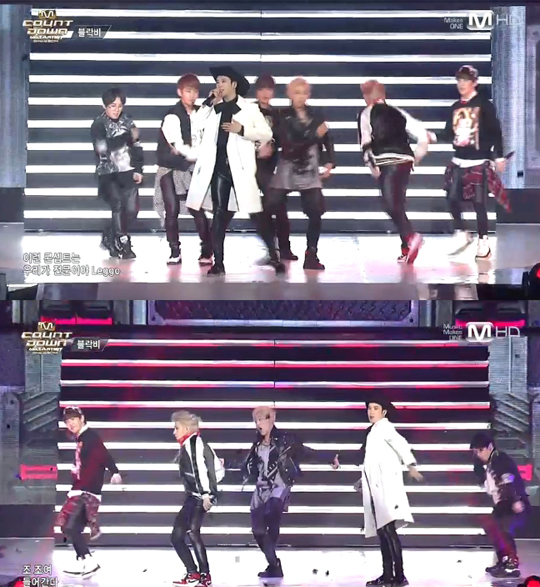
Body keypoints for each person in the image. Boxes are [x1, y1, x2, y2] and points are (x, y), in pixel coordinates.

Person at [186, 66, 285, 276]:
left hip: (240, 168)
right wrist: (208, 102)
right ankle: (218, 262)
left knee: (256, 213)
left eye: (223, 81)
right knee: (219, 214)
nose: (219, 85)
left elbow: (266, 133)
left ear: (234, 84)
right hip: (218, 167)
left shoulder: (248, 109)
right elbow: (194, 123)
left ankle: (274, 256)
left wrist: (242, 130)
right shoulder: (213, 108)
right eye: (217, 81)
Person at [226, 406, 339, 580]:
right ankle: (274, 565)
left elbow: (305, 452)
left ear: (271, 420)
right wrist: (224, 462)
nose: (258, 424)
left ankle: (273, 564)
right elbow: (244, 461)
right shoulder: (257, 444)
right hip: (261, 488)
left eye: (261, 419)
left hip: (279, 485)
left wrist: (329, 458)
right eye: (256, 420)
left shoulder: (286, 440)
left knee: (272, 515)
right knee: (257, 531)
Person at [335, 397, 424, 587]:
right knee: (383, 531)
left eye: (375, 408)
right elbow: (364, 457)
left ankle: (399, 576)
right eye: (369, 408)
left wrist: (411, 465)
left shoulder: (385, 428)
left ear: (383, 412)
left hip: (386, 490)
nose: (371, 411)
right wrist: (341, 460)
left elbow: (401, 444)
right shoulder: (372, 432)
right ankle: (388, 575)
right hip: (377, 490)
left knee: (388, 530)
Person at [438, 65, 510, 260]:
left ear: (474, 83)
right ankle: (462, 232)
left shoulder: (485, 105)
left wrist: (499, 156)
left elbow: (496, 132)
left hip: (479, 160)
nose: (461, 84)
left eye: (465, 80)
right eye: (459, 80)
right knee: (451, 198)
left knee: (479, 203)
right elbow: (448, 133)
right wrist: (432, 136)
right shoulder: (455, 107)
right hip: (459, 160)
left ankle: (483, 241)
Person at [266, 77, 335, 271]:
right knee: (271, 205)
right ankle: (279, 249)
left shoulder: (316, 114)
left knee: (315, 211)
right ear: (289, 94)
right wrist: (314, 135)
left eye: (304, 92)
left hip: (310, 167)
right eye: (297, 92)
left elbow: (327, 138)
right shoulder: (282, 115)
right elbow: (289, 143)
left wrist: (329, 161)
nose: (301, 96)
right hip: (288, 165)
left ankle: (311, 254)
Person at [358, 80, 430, 264]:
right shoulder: (398, 112)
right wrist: (415, 157)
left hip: (386, 161)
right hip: (405, 161)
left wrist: (372, 168)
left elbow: (365, 143)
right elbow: (423, 135)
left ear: (367, 95)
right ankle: (406, 247)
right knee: (398, 203)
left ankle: (411, 236)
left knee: (390, 204)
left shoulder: (366, 113)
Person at [155, 74, 213, 266]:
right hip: (169, 167)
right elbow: (179, 146)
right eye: (188, 91)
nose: (192, 95)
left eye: (195, 91)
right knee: (171, 210)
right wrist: (194, 154)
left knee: (197, 208)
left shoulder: (200, 113)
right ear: (180, 92)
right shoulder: (172, 116)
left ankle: (207, 249)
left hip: (191, 167)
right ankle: (174, 250)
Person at [58, 406, 122, 578]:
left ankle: (89, 562)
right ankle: (83, 561)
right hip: (81, 488)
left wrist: (114, 471)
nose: (70, 423)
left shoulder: (90, 437)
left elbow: (104, 455)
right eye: (67, 421)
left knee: (70, 527)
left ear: (82, 418)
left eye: (73, 419)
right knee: (70, 527)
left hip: (87, 491)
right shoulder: (82, 438)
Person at [170, 411, 225, 587]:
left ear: (186, 428)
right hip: (194, 496)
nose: (174, 432)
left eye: (177, 428)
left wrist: (206, 494)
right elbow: (215, 469)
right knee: (177, 535)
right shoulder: (191, 443)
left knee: (192, 533)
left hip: (199, 496)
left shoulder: (193, 444)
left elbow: (199, 470)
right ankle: (193, 572)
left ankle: (204, 575)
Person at [91, 87, 144, 260]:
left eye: (120, 106)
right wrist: (125, 138)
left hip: (128, 171)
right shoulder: (98, 124)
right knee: (118, 205)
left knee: (132, 210)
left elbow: (137, 145)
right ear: (105, 106)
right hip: (108, 173)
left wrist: (138, 169)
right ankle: (123, 242)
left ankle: (110, 234)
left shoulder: (128, 121)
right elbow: (102, 148)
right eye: (112, 106)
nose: (116, 110)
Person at [470, 432, 530, 579]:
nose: (478, 454)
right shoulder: (490, 462)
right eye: (476, 451)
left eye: (480, 450)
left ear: (489, 447)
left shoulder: (500, 459)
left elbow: (509, 479)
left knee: (504, 532)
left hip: (510, 501)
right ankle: (503, 561)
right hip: (503, 502)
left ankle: (511, 565)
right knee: (494, 529)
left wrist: (516, 499)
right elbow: (489, 486)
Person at [254, 74, 298, 263]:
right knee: (258, 209)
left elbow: (283, 140)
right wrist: (257, 151)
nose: (266, 93)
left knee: (278, 207)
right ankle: (273, 247)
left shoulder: (277, 115)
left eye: (269, 89)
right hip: (252, 167)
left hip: (272, 167)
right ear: (256, 91)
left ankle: (283, 248)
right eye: (262, 89)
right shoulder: (248, 112)